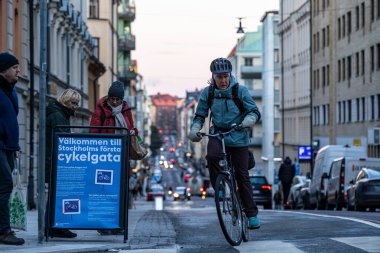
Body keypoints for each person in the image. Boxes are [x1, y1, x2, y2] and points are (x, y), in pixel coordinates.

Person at [188, 57, 261, 229]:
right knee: (211, 156)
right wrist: (195, 129)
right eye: (219, 76)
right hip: (218, 133)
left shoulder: (240, 91)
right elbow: (200, 115)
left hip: (238, 134)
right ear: (213, 76)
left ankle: (251, 215)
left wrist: (248, 121)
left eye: (225, 76)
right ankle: (219, 185)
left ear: (230, 75)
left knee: (242, 176)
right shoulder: (208, 93)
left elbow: (254, 112)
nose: (223, 80)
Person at [89, 80, 138, 235]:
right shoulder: (100, 110)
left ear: (122, 99)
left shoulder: (126, 110)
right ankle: (103, 225)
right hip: (105, 158)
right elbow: (93, 133)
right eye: (112, 99)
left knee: (120, 192)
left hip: (122, 158)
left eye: (118, 99)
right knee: (103, 192)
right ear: (108, 97)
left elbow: (132, 129)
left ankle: (118, 225)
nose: (115, 102)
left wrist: (133, 133)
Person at [45, 88, 81, 238]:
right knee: (58, 194)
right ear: (65, 101)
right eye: (73, 103)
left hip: (53, 159)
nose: (75, 106)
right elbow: (63, 141)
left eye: (77, 103)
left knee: (56, 194)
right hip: (56, 160)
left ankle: (54, 226)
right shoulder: (58, 116)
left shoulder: (59, 114)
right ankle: (54, 227)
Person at [0, 52, 25, 245]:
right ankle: (3, 231)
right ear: (3, 70)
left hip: (8, 147)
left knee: (4, 186)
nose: (19, 70)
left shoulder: (11, 90)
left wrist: (14, 146)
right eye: (15, 67)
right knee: (5, 184)